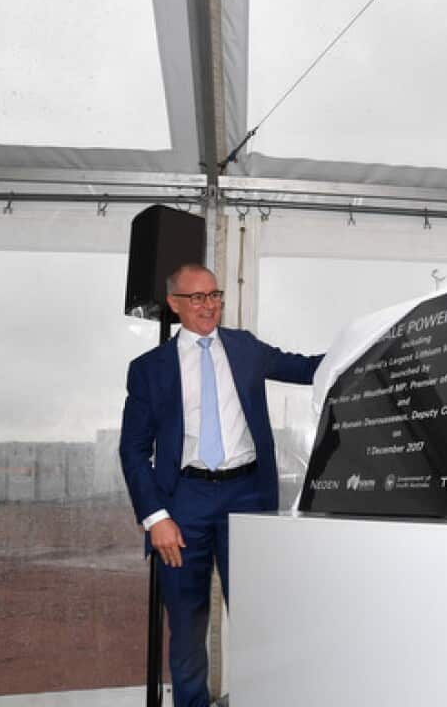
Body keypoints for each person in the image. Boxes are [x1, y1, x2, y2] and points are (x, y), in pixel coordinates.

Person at [119, 264, 322, 707]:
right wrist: (156, 518)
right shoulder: (149, 369)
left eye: (215, 295)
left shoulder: (244, 347)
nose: (209, 305)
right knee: (188, 627)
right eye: (197, 297)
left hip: (248, 497)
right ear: (174, 304)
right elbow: (133, 450)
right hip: (182, 505)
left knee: (256, 620)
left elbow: (307, 368)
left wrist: (368, 348)